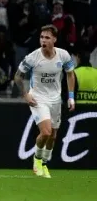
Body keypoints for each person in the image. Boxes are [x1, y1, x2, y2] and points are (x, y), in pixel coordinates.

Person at [14, 24, 75, 178]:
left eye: (47, 37)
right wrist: (26, 95)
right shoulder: (33, 57)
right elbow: (17, 76)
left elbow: (70, 74)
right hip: (38, 98)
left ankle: (44, 163)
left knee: (53, 135)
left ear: (54, 39)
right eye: (42, 37)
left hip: (55, 99)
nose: (43, 40)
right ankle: (37, 159)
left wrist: (71, 97)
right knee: (46, 132)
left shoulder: (63, 55)